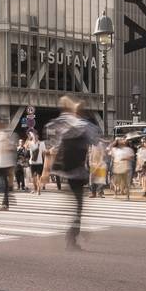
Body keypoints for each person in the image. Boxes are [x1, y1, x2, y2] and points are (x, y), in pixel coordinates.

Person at [42, 96, 100, 251]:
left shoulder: (56, 124)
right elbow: (96, 140)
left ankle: (73, 233)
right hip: (78, 172)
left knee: (74, 205)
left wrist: (46, 171)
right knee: (78, 207)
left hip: (64, 169)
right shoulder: (84, 124)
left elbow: (50, 148)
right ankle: (72, 237)